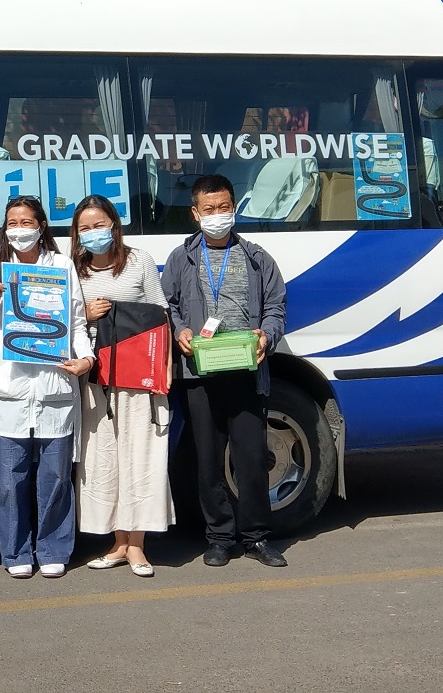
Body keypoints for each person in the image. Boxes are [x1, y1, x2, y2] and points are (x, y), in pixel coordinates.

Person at [162, 174, 290, 570]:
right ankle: (219, 537)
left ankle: (256, 537)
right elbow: (167, 306)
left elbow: (276, 309)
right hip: (201, 373)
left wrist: (266, 336)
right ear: (195, 213)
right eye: (209, 209)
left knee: (251, 459)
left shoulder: (257, 258)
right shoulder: (181, 258)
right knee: (208, 460)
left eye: (224, 208)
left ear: (234, 208)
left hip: (246, 370)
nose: (218, 215)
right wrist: (178, 330)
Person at [0, 196, 93, 579]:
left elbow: (76, 321)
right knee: (10, 479)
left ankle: (52, 548)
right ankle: (15, 553)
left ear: (41, 226)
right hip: (12, 389)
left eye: (26, 222)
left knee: (56, 476)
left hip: (55, 386)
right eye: (12, 222)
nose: (19, 230)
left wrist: (86, 359)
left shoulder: (61, 266)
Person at [70, 194, 173, 577]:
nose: (94, 233)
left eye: (100, 225)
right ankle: (117, 542)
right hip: (96, 377)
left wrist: (163, 372)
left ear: (114, 224)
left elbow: (161, 315)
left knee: (141, 457)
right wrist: (85, 312)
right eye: (85, 228)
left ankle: (137, 546)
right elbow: (62, 319)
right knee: (103, 459)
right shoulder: (73, 269)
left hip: (137, 376)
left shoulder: (140, 261)